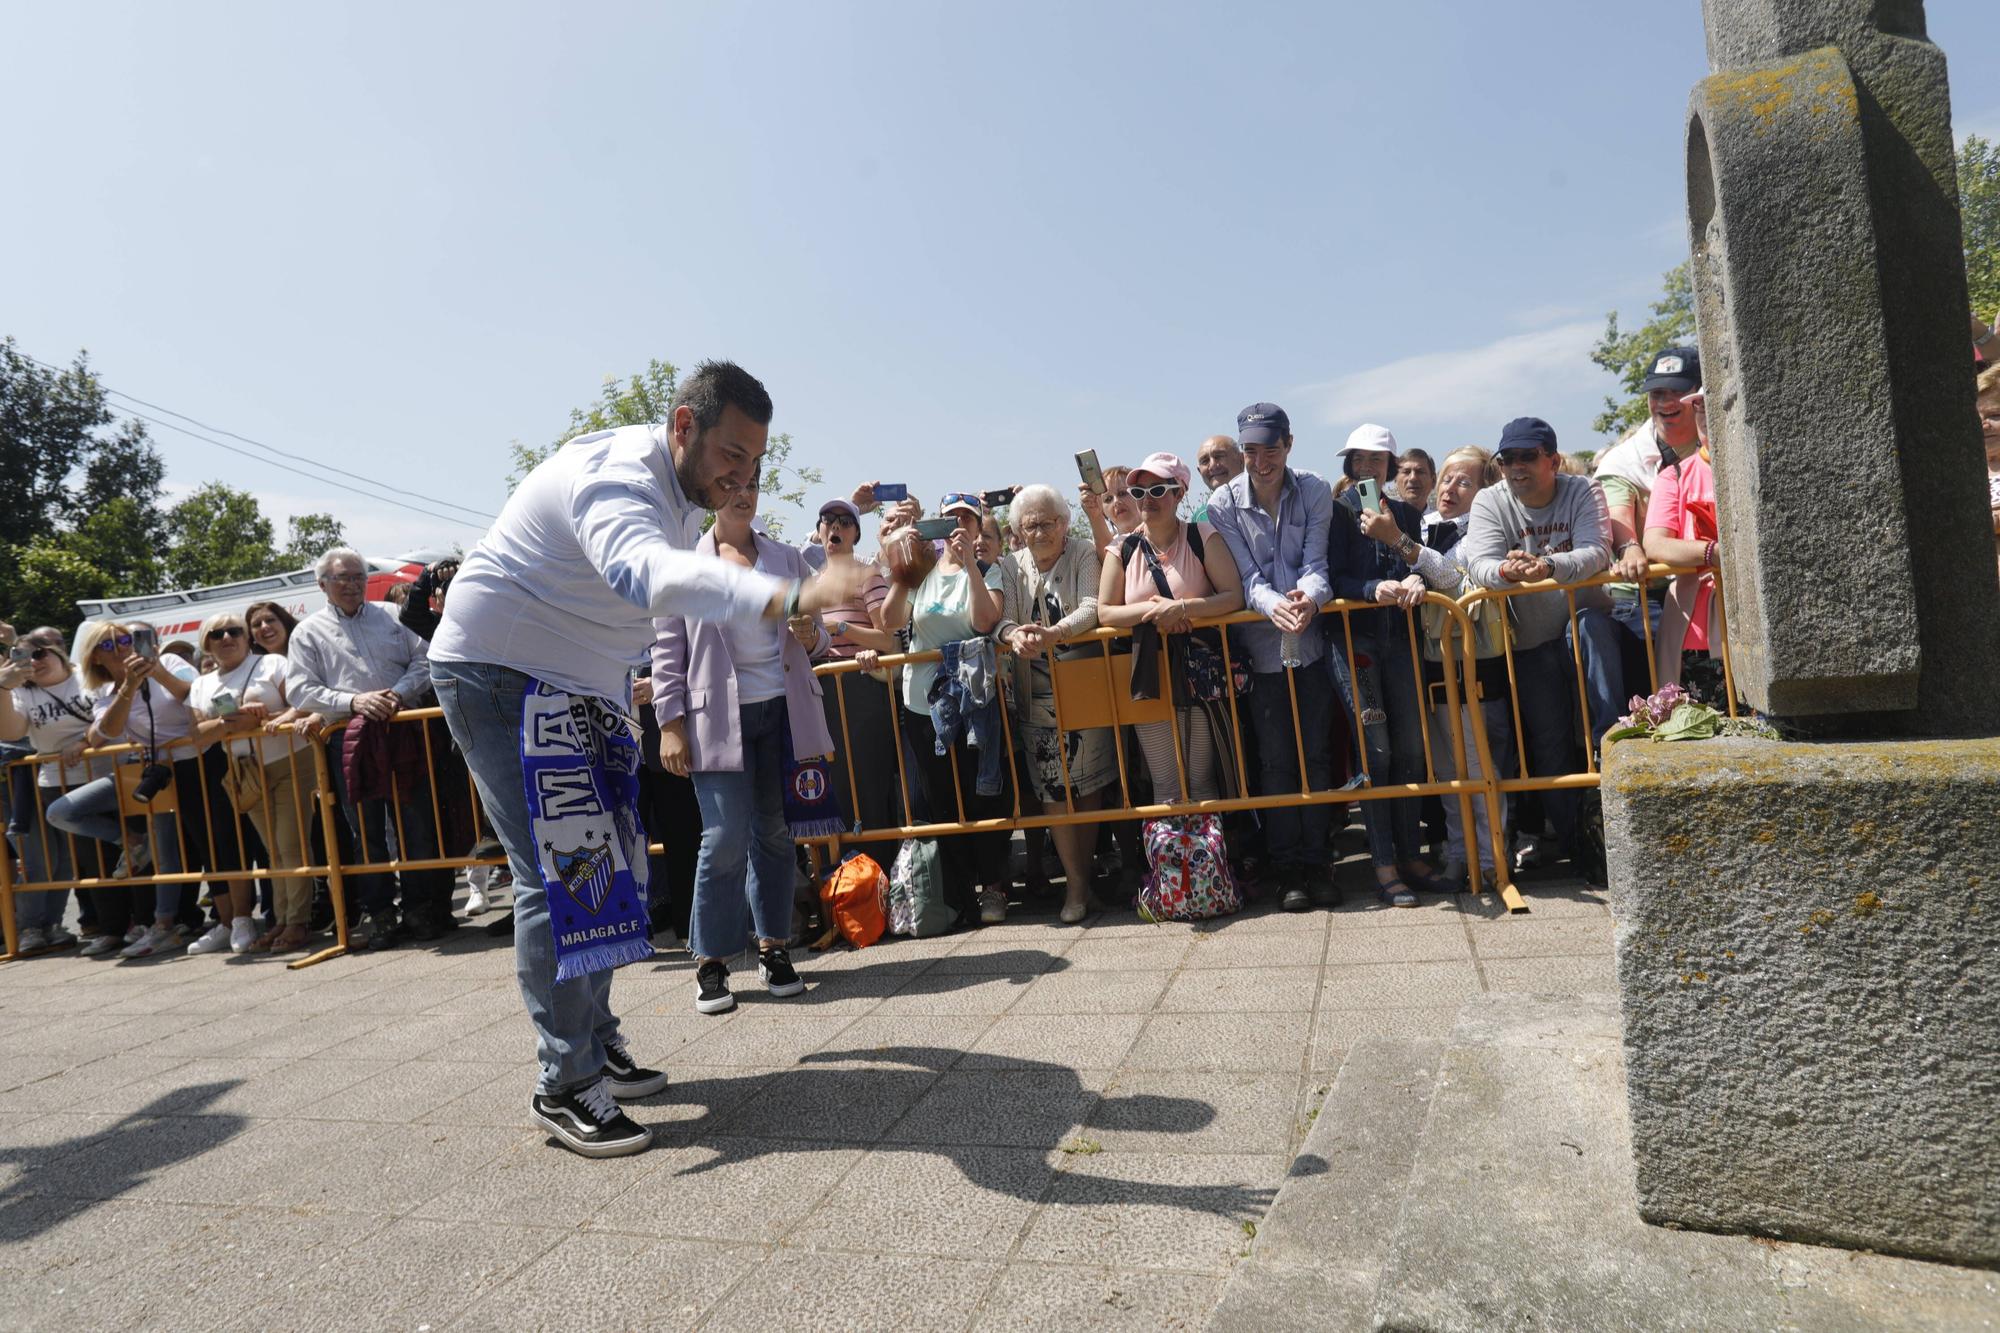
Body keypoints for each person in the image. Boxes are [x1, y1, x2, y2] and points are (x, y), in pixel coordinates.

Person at [429, 358, 867, 1159]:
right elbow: (645, 575)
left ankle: (593, 1039)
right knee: (559, 875)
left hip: (579, 686)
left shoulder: (680, 492)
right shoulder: (618, 477)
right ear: (682, 425)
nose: (743, 474)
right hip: (498, 672)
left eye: (756, 460)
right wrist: (784, 595)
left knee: (616, 871)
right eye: (732, 453)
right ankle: (563, 1081)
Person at [654, 484, 832, 1013]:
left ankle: (773, 947)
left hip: (781, 710)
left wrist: (808, 635)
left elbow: (818, 637)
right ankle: (711, 960)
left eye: (751, 485)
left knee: (774, 834)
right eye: (731, 487)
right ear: (712, 497)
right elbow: (668, 649)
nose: (743, 495)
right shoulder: (685, 566)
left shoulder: (786, 557)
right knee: (725, 835)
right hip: (716, 719)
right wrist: (669, 722)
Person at [1461, 417, 1615, 872]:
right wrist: (1508, 573)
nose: (1516, 467)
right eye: (1507, 459)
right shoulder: (1490, 499)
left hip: (1584, 629)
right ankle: (1578, 849)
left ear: (1553, 459)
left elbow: (1598, 551)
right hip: (1527, 645)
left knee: (1602, 730)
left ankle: (1613, 752)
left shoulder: (1583, 489)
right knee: (1549, 749)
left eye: (1527, 457)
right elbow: (1478, 562)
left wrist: (1545, 566)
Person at [1206, 404, 1338, 912]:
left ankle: (1318, 859)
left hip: (1312, 644)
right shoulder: (1222, 502)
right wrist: (1276, 604)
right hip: (1261, 653)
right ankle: (1287, 867)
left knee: (1318, 755)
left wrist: (1308, 596)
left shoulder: (1315, 489)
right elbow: (1246, 580)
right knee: (1276, 761)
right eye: (1252, 451)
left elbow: (1317, 562)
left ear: (1289, 444)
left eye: (1271, 449)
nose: (1261, 461)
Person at [286, 547, 453, 945]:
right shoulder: (308, 632)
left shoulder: (394, 616)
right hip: (347, 737)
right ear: (322, 584)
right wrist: (353, 702)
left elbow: (427, 659)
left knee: (417, 824)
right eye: (341, 578)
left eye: (357, 576)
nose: (351, 584)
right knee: (365, 831)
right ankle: (380, 914)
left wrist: (397, 694)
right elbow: (299, 688)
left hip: (404, 730)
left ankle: (420, 909)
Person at [875, 491, 1014, 924]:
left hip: (974, 702)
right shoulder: (923, 573)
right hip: (923, 703)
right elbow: (890, 621)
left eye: (966, 520)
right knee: (935, 799)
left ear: (977, 528)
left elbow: (984, 620)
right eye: (949, 518)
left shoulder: (991, 570)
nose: (957, 525)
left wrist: (969, 563)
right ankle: (953, 894)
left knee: (981, 790)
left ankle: (993, 887)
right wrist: (904, 568)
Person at [48, 621, 207, 958]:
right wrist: (130, 686)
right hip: (141, 772)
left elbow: (198, 696)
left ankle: (164, 925)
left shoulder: (170, 662)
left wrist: (157, 673)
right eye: (107, 645)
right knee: (61, 811)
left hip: (185, 765)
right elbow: (108, 730)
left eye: (124, 639)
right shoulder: (103, 693)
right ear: (95, 659)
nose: (120, 648)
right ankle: (131, 842)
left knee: (168, 850)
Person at [1328, 424, 1437, 907]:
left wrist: (1416, 581)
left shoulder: (1410, 514)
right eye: (1359, 458)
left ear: (1390, 467)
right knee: (1378, 754)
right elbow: (1331, 576)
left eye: (1377, 459)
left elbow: (1426, 567)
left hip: (1403, 644)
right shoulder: (1334, 512)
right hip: (1356, 646)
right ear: (1349, 464)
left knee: (1412, 750)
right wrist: (1370, 589)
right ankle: (1384, 865)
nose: (1367, 467)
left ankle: (1412, 855)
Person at [1097, 452, 1245, 806]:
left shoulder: (1202, 536)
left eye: (1158, 490)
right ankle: (1171, 862)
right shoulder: (1122, 548)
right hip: (1149, 674)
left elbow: (1233, 597)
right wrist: (1151, 613)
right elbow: (1105, 613)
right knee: (1165, 782)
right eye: (1139, 492)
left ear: (1179, 493)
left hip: (1198, 672)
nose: (1147, 499)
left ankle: (1206, 861)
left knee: (1200, 780)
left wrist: (1181, 608)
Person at [995, 483, 1112, 923]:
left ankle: (1083, 884)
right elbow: (1000, 616)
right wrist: (1014, 633)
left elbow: (1092, 606)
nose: (1040, 532)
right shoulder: (1009, 564)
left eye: (1049, 522)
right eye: (1031, 525)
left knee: (1091, 786)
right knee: (1053, 792)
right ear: (1018, 530)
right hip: (1036, 695)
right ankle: (1077, 886)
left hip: (1084, 682)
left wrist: (1054, 633)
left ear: (1064, 523)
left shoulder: (1082, 551)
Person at [1398, 447, 1514, 892]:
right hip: (1432, 665)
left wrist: (1408, 554)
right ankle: (1457, 854)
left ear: (1485, 490)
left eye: (1464, 481)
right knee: (1448, 770)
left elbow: (1452, 574)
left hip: (1475, 663)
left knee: (1481, 764)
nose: (1449, 488)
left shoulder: (1484, 530)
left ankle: (1491, 860)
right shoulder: (1425, 524)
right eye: (1446, 478)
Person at [186, 611, 316, 952]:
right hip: (245, 772)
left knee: (291, 844)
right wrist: (233, 723)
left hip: (290, 759)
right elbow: (197, 735)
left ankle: (297, 922)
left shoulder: (272, 664)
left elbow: (301, 704)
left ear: (247, 638)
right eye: (217, 633)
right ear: (206, 643)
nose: (227, 638)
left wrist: (267, 718)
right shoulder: (201, 684)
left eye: (234, 631)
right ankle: (282, 921)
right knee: (273, 850)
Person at [1593, 346, 1703, 699]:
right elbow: (1617, 515)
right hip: (1643, 598)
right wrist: (1630, 548)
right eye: (1658, 393)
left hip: (1708, 592)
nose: (1666, 402)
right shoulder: (1623, 460)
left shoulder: (1720, 447)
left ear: (1699, 397)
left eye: (1678, 391)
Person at [0, 626, 113, 950]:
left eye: (40, 653)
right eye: (24, 656)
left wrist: (83, 741)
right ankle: (32, 929)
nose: (34, 661)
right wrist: (4, 687)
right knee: (43, 859)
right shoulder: (19, 690)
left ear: (58, 652)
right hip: (36, 780)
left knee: (67, 860)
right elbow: (10, 730)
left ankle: (50, 925)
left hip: (96, 772)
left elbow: (111, 712)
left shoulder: (85, 676)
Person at [809, 498, 904, 867]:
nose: (836, 526)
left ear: (855, 534)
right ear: (818, 532)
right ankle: (842, 887)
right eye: (828, 520)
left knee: (870, 790)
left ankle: (878, 882)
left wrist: (843, 629)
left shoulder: (869, 576)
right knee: (833, 792)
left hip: (862, 691)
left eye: (845, 522)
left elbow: (888, 639)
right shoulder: (809, 584)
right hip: (823, 694)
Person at [1643, 389, 1723, 695]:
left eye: (1708, 403)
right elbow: (1656, 544)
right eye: (1698, 406)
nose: (1703, 413)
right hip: (1695, 632)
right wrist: (1712, 553)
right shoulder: (1674, 476)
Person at [1080, 464, 1142, 551]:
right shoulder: (1104, 549)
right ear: (1103, 512)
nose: (1116, 501)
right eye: (1108, 499)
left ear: (1140, 494)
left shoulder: (1164, 532)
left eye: (1122, 493)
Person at [1193, 435, 1246, 521]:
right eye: (1205, 461)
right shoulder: (1200, 518)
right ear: (1200, 472)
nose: (1213, 465)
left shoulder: (1266, 500)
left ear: (1241, 460)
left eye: (1219, 456)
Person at [1394, 448, 1438, 514]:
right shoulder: (1382, 520)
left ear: (1433, 480)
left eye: (1420, 472)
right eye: (1406, 472)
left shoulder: (1443, 522)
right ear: (1395, 480)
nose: (1413, 478)